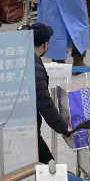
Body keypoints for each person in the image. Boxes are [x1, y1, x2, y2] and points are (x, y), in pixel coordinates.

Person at [31, 23, 71, 163]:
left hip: (17, 124)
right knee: (49, 167)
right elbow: (45, 103)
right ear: (46, 45)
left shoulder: (19, 57)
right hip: (27, 129)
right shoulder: (34, 66)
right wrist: (64, 128)